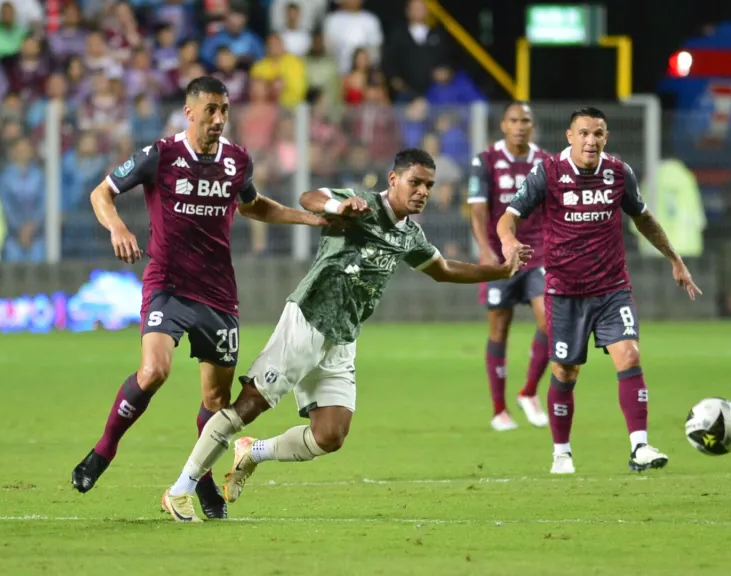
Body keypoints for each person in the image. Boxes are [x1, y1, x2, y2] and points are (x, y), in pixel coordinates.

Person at [158, 148, 533, 522]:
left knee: (331, 435)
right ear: (394, 180)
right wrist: (337, 209)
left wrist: (501, 272)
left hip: (343, 337)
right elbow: (310, 198)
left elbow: (444, 268)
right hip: (308, 319)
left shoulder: (410, 235)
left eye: (429, 186)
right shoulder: (361, 205)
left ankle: (252, 453)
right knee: (250, 404)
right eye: (415, 182)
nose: (422, 191)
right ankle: (180, 489)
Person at [71, 76, 327, 519]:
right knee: (154, 371)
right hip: (167, 285)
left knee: (215, 403)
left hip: (218, 295)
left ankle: (201, 478)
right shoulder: (161, 155)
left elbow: (253, 205)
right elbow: (102, 193)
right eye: (210, 110)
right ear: (189, 112)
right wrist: (117, 226)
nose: (218, 119)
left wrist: (307, 219)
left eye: (224, 110)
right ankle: (103, 450)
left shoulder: (236, 161)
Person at [497, 107, 702, 475]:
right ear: (570, 136)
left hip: (612, 288)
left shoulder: (619, 173)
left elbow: (643, 218)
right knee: (565, 371)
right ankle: (562, 452)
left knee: (630, 354)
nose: (591, 141)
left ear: (605, 138)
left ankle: (639, 445)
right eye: (584, 133)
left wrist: (675, 258)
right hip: (564, 292)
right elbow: (509, 215)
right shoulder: (548, 172)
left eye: (598, 134)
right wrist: (509, 240)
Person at [468, 101, 551, 431]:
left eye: (525, 121)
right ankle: (499, 409)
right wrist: (486, 251)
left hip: (539, 253)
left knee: (550, 319)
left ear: (532, 126)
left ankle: (529, 391)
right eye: (514, 120)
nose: (519, 126)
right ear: (503, 125)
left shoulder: (545, 161)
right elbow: (477, 210)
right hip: (500, 256)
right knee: (499, 328)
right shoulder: (485, 160)